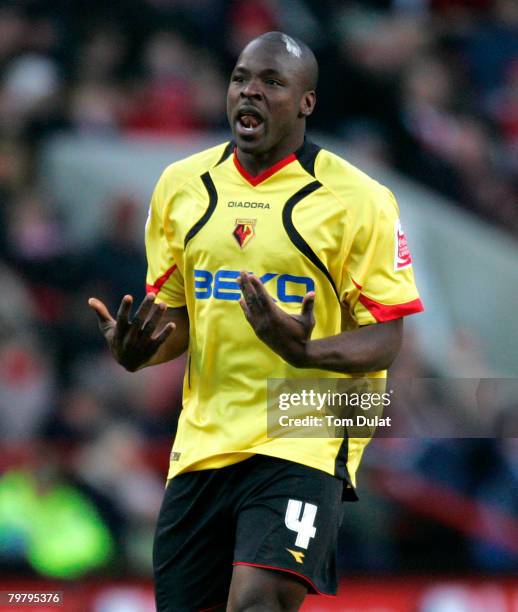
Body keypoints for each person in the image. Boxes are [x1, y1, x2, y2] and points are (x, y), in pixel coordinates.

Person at [89, 31, 423, 612]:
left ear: (306, 103)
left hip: (305, 424)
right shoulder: (181, 187)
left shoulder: (359, 199)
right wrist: (140, 349)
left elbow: (388, 336)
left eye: (273, 83)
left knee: (257, 602)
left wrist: (308, 354)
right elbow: (179, 320)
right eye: (241, 78)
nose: (251, 92)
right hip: (204, 437)